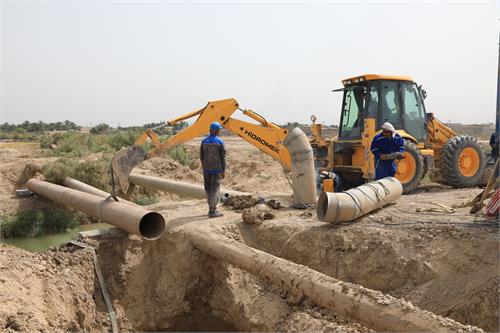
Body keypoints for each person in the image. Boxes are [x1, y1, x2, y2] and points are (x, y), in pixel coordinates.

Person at [200, 121, 226, 218]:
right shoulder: (220, 142)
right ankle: (212, 211)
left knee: (208, 189)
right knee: (214, 190)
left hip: (206, 170)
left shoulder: (203, 141)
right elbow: (223, 158)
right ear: (217, 130)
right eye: (219, 129)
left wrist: (204, 168)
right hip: (216, 170)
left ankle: (210, 208)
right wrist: (223, 171)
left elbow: (201, 156)